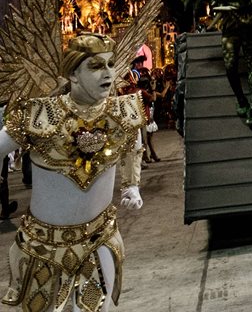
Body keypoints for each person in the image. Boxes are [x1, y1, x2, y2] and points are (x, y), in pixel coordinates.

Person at [0, 33, 147, 312]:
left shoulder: (124, 113)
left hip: (98, 239)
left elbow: (134, 144)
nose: (108, 73)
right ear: (73, 74)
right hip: (41, 246)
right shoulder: (38, 115)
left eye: (111, 64)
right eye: (95, 66)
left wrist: (132, 184)